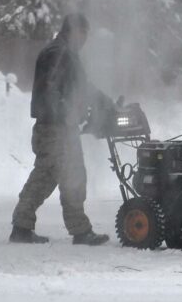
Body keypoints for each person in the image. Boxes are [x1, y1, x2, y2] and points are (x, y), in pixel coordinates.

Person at [9, 13, 110, 246]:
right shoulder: (57, 53)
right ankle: (74, 231)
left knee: (63, 176)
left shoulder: (65, 53)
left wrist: (107, 105)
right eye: (84, 33)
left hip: (60, 127)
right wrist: (66, 112)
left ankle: (70, 230)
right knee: (52, 176)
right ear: (75, 31)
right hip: (55, 128)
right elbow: (51, 88)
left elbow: (83, 88)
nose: (85, 39)